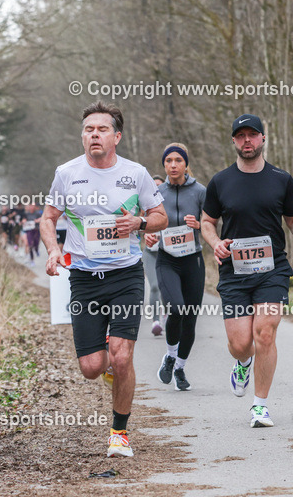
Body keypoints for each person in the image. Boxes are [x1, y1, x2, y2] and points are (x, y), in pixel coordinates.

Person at [41, 101, 168, 457]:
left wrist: (139, 223)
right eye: (88, 130)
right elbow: (48, 218)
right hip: (83, 277)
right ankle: (112, 368)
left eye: (101, 129)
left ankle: (119, 433)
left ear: (117, 136)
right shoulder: (67, 173)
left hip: (126, 274)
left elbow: (160, 215)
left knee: (122, 357)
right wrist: (53, 251)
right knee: (92, 367)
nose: (93, 135)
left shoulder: (135, 174)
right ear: (83, 136)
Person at [200, 114, 293, 427]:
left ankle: (260, 405)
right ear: (234, 141)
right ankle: (242, 362)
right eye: (241, 136)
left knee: (264, 332)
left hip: (272, 268)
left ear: (263, 139)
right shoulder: (220, 181)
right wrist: (214, 243)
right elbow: (207, 222)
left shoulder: (281, 179)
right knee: (241, 343)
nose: (247, 141)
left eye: (253, 135)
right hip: (234, 271)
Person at [146, 143, 205, 391]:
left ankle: (179, 367)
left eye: (177, 160)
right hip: (167, 259)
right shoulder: (156, 192)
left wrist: (200, 224)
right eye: (168, 160)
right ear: (164, 164)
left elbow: (215, 224)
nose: (172, 165)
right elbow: (147, 222)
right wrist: (147, 235)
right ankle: (170, 355)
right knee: (177, 309)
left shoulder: (201, 191)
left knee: (190, 319)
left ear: (185, 164)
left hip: (194, 261)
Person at [141, 176, 164, 337]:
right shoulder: (145, 205)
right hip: (150, 253)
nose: (157, 188)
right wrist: (144, 235)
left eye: (160, 186)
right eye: (154, 186)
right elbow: (137, 226)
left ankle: (169, 314)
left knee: (168, 287)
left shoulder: (168, 207)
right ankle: (156, 320)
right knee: (155, 286)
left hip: (168, 253)